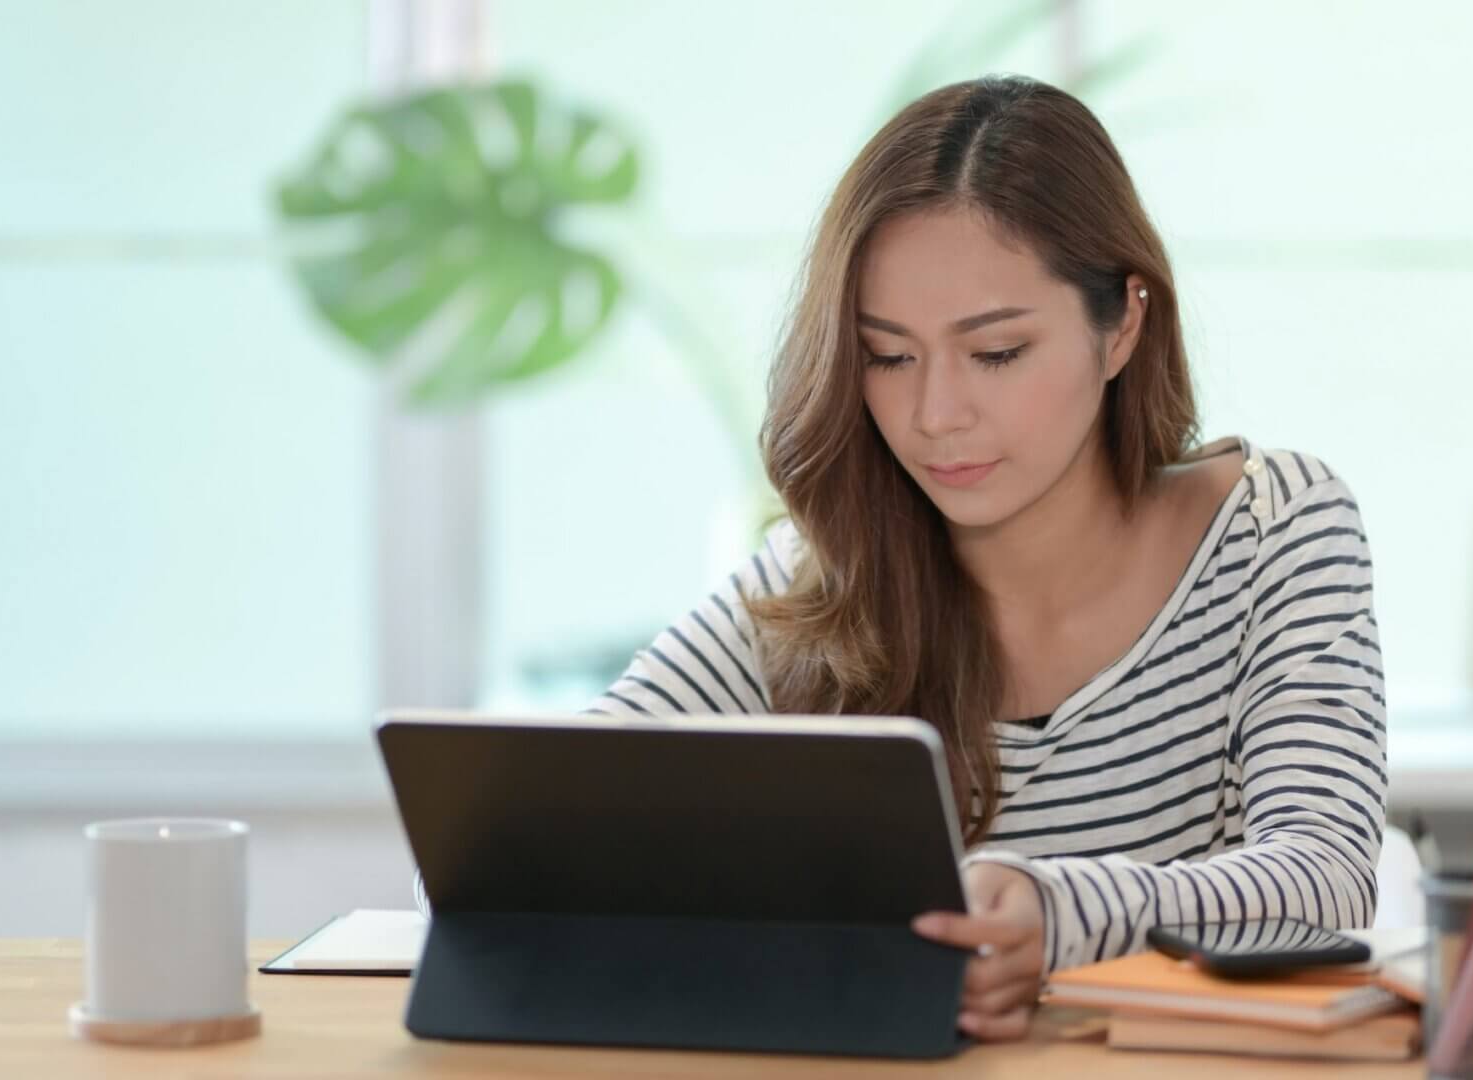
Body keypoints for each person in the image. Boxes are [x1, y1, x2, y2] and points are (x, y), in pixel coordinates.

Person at [594, 74, 1387, 1042]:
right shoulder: (825, 575)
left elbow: (1327, 876)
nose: (935, 416)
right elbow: (532, 838)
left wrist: (1050, 912)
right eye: (889, 357)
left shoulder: (1277, 528)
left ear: (1123, 323)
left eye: (997, 352)